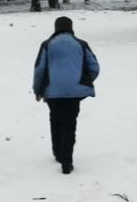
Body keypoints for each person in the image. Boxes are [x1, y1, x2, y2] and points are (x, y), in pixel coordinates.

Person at [33, 16, 100, 174]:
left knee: (55, 120)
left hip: (52, 92)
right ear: (71, 28)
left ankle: (58, 152)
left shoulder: (47, 44)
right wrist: (84, 80)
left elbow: (39, 70)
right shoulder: (81, 44)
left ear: (56, 28)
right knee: (70, 124)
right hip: (74, 92)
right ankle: (67, 161)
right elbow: (95, 67)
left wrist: (37, 90)